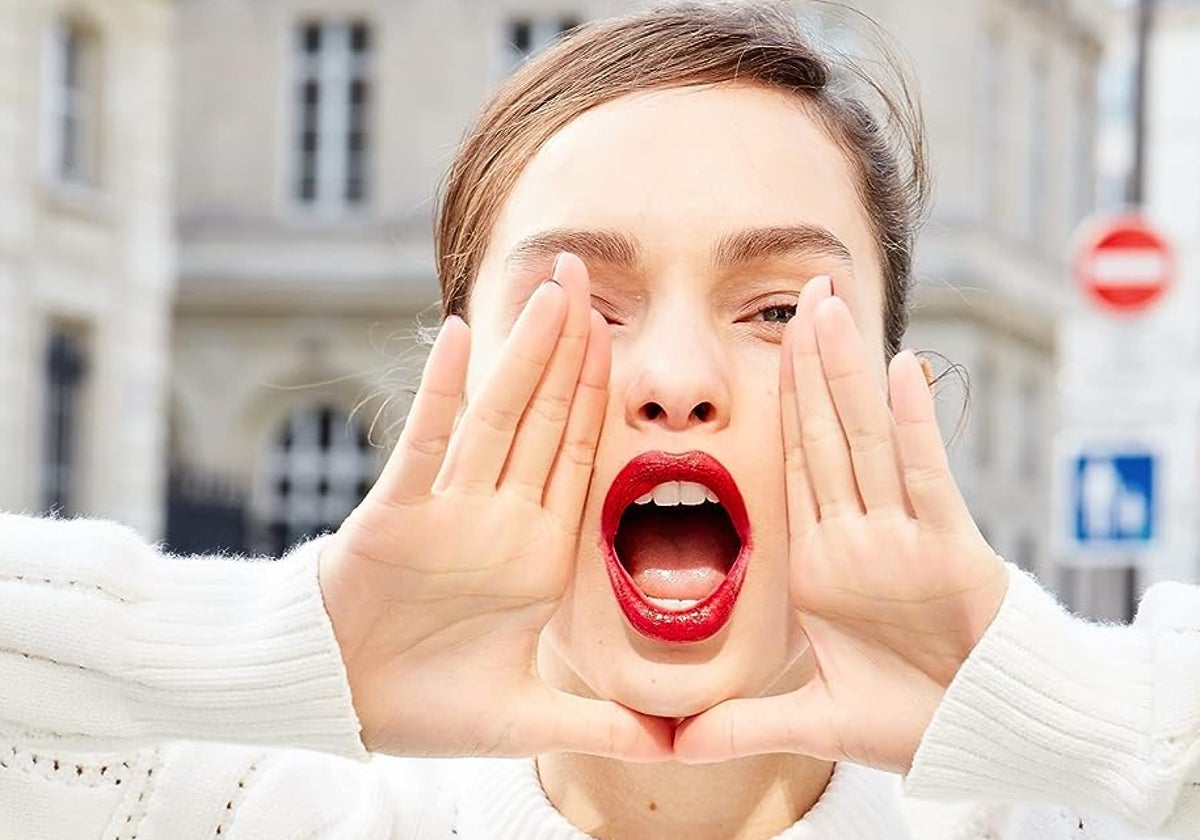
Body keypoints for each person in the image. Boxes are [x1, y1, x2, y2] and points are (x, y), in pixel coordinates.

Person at [1, 3, 1197, 838]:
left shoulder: (1063, 812)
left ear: (894, 406)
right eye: (578, 302)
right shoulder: (259, 809)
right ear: (459, 393)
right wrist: (293, 644)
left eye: (778, 306)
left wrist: (1063, 711)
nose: (674, 376)